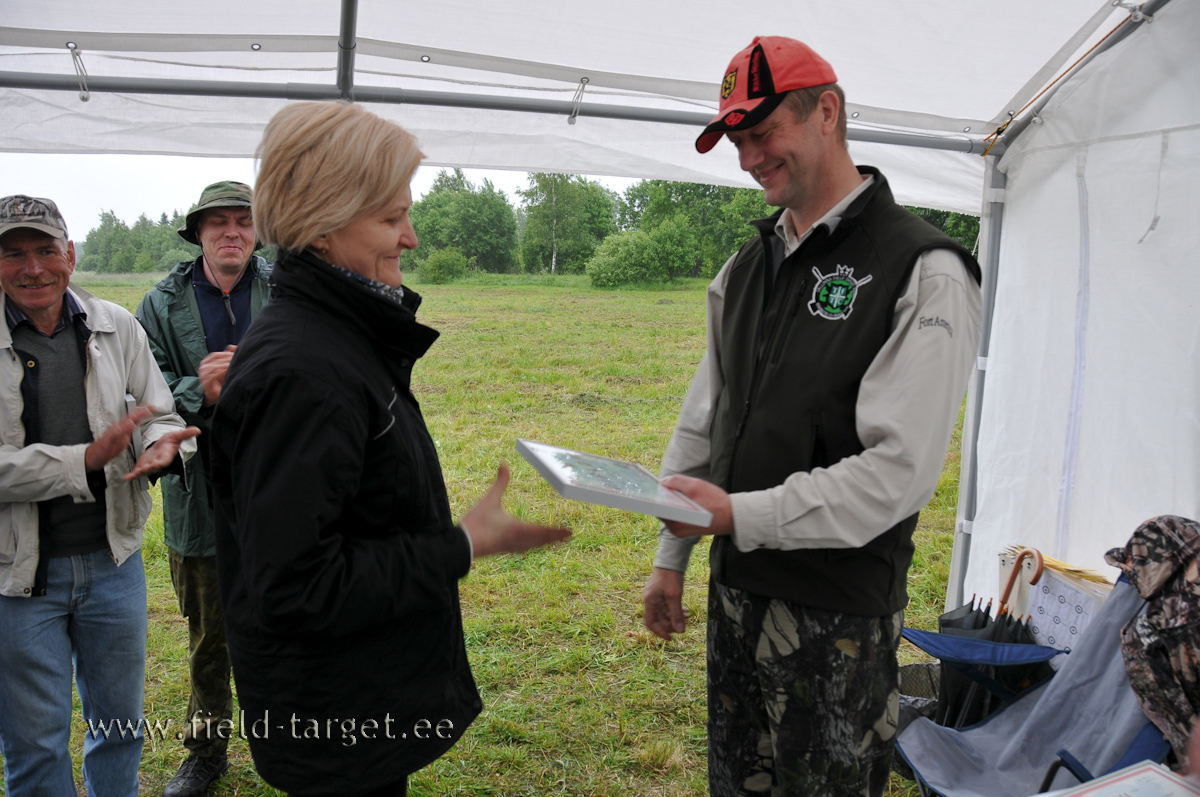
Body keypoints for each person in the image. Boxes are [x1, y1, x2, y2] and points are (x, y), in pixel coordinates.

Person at [640, 37, 984, 797]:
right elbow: (708, 417)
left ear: (827, 112)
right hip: (737, 600)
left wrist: (736, 514)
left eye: (764, 134)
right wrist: (672, 557)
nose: (748, 158)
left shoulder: (923, 269)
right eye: (737, 141)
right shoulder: (745, 267)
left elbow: (897, 473)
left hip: (837, 626)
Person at [208, 100, 571, 797]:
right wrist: (461, 545)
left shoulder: (336, 336)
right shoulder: (305, 369)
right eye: (388, 217)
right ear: (321, 222)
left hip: (354, 693)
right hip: (334, 718)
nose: (409, 237)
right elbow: (295, 586)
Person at [0, 195, 199, 796]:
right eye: (14, 254)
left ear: (71, 256)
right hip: (17, 578)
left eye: (46, 250)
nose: (33, 268)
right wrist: (81, 461)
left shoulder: (117, 326)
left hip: (114, 565)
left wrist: (163, 446)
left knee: (118, 727)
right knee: (34, 743)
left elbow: (157, 413)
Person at [135, 180, 272, 797]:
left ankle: (293, 740)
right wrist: (203, 390)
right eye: (217, 223)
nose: (231, 233)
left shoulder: (288, 290)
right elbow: (145, 387)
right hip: (197, 490)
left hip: (279, 484)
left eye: (243, 221)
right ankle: (205, 751)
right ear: (198, 234)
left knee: (286, 620)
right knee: (209, 632)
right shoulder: (160, 304)